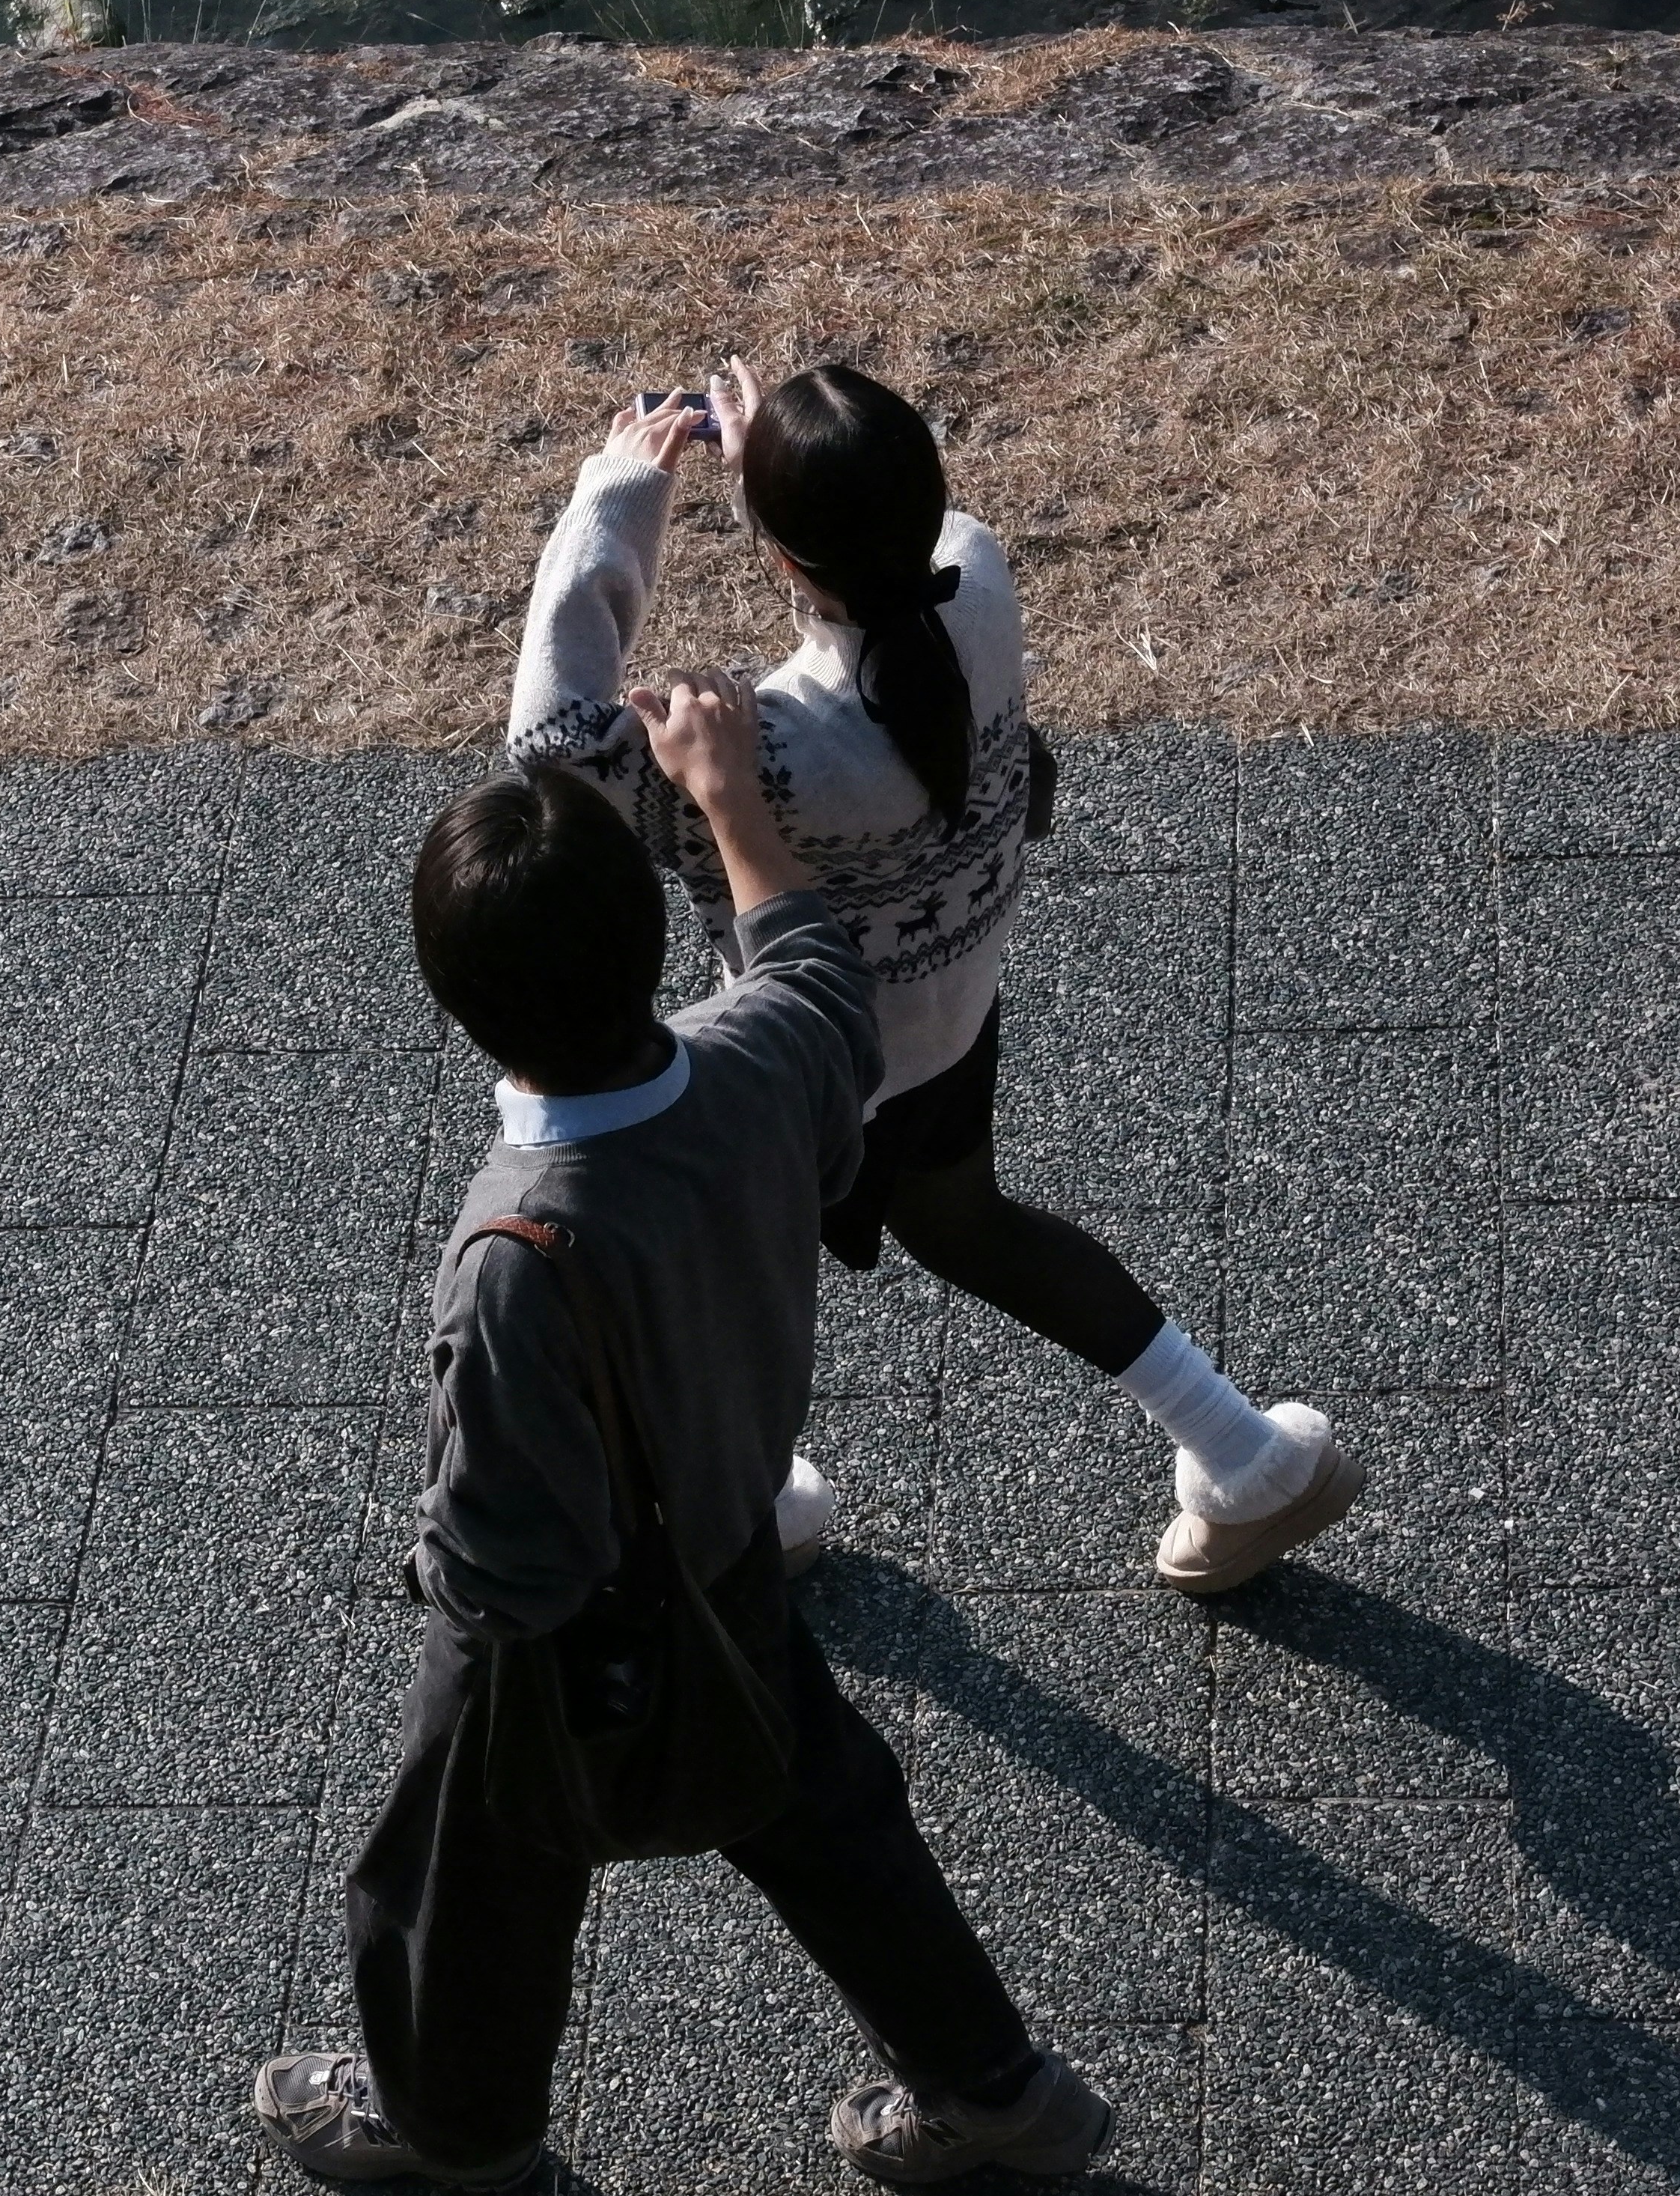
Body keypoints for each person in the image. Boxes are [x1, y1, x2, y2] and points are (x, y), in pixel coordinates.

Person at [249, 684, 1110, 2192]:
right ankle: (995, 2092)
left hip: (573, 1636)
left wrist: (438, 1569)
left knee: (461, 1870)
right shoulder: (766, 1055)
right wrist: (731, 803)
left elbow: (510, 1555)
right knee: (828, 1814)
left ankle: (461, 2124)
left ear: (457, 1008)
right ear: (652, 940)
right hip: (728, 1554)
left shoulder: (515, 1250)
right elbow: (815, 959)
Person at [503, 362, 1360, 1596]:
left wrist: (620, 492)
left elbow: (545, 746)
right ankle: (1242, 1453)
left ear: (786, 561)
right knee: (967, 1226)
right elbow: (893, 542)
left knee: (715, 1282)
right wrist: (781, 490)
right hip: (947, 1021)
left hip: (799, 1068)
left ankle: (753, 1507)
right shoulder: (982, 580)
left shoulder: (773, 747)